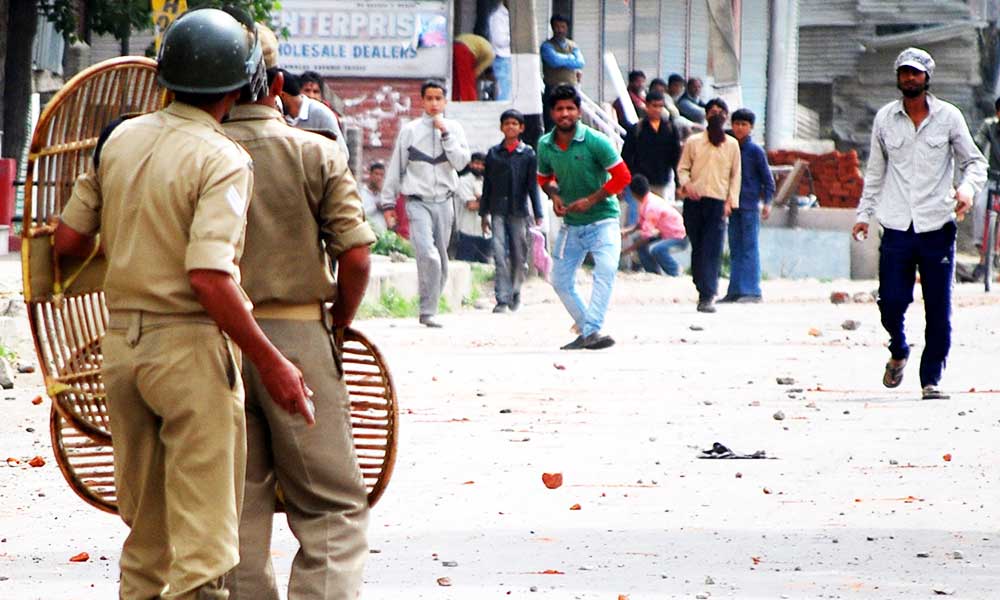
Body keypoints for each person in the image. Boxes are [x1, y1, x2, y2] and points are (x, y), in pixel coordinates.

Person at [53, 9, 314, 599]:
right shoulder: (223, 158)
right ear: (240, 85)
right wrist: (273, 362)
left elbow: (67, 243)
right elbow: (210, 276)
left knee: (145, 540)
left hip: (123, 352)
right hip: (191, 354)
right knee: (204, 551)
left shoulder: (119, 139)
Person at [220, 24, 375, 599]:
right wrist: (338, 320)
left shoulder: (195, 152)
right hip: (299, 338)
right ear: (278, 84)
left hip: (213, 339)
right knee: (332, 504)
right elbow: (355, 257)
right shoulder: (316, 151)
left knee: (236, 509)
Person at [852, 47, 986, 400]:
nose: (910, 78)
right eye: (904, 73)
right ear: (898, 78)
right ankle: (898, 347)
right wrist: (863, 215)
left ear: (927, 78)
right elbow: (875, 172)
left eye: (916, 73)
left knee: (938, 307)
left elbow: (975, 162)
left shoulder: (949, 117)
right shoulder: (885, 119)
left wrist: (967, 189)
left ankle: (931, 379)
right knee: (891, 301)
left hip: (937, 225)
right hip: (896, 224)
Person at [537, 84, 631, 349]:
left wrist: (591, 200)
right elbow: (544, 178)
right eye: (559, 109)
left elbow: (623, 177)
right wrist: (554, 196)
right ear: (552, 113)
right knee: (560, 280)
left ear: (578, 111)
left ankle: (590, 330)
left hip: (603, 220)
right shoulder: (545, 145)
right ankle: (589, 330)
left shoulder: (596, 141)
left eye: (570, 108)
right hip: (572, 225)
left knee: (606, 269)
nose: (565, 113)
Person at [381, 80, 471, 328]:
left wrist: (446, 135)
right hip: (417, 202)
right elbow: (396, 167)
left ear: (445, 101)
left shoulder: (455, 128)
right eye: (429, 98)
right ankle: (427, 310)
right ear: (422, 101)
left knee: (441, 258)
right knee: (427, 254)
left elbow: (461, 163)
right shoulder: (410, 131)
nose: (433, 103)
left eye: (438, 98)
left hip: (444, 201)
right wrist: (388, 205)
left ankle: (432, 304)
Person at [677, 97, 741, 313]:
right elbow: (682, 168)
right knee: (698, 247)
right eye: (712, 111)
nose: (716, 115)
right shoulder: (693, 142)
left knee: (712, 249)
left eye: (721, 112)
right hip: (694, 202)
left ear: (726, 117)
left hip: (718, 203)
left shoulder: (732, 145)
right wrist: (687, 185)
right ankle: (700, 284)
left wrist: (730, 202)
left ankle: (708, 295)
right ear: (706, 116)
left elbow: (735, 176)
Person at [480, 108, 545, 313]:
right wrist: (484, 213)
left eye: (514, 124)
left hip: (519, 211)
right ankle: (502, 298)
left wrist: (538, 213)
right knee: (499, 254)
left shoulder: (527, 154)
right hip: (497, 210)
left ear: (521, 128)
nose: (510, 127)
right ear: (501, 127)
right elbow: (487, 185)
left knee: (518, 254)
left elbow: (532, 186)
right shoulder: (493, 154)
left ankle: (516, 290)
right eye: (507, 123)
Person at [720, 108, 775, 304]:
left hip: (750, 205)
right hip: (732, 205)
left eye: (744, 124)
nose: (740, 128)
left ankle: (752, 290)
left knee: (749, 247)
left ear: (751, 128)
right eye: (736, 124)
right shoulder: (728, 147)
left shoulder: (755, 151)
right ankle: (735, 290)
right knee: (735, 248)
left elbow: (768, 180)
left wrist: (767, 203)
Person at [621, 174, 687, 276]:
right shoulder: (646, 201)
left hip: (678, 237)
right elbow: (641, 224)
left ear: (633, 193)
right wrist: (627, 231)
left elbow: (646, 237)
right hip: (666, 234)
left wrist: (626, 251)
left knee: (656, 249)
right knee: (639, 242)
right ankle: (652, 272)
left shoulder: (651, 207)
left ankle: (675, 271)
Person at [279, 69, 349, 157]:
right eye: (307, 90)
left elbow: (342, 153)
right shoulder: (282, 113)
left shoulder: (325, 115)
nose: (311, 95)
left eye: (316, 92)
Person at [972, 96, 1000, 280]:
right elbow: (978, 143)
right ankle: (982, 258)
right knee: (979, 206)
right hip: (992, 177)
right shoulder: (989, 126)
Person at [540, 14, 584, 129]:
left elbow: (580, 62)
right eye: (557, 27)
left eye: (562, 27)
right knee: (552, 122)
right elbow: (554, 61)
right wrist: (570, 58)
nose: (560, 30)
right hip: (553, 88)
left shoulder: (573, 45)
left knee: (572, 121)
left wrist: (562, 59)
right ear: (552, 28)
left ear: (567, 28)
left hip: (571, 88)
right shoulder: (546, 46)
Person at [454, 152, 492, 263]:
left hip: (485, 233)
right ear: (470, 164)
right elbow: (471, 205)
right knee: (464, 266)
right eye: (476, 163)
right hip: (467, 232)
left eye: (482, 164)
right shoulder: (464, 181)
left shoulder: (488, 182)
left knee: (484, 270)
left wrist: (481, 200)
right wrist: (488, 203)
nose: (479, 167)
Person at [474, 0, 512, 101]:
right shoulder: (497, 17)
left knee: (508, 89)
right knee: (503, 90)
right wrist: (515, 38)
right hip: (501, 56)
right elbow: (499, 40)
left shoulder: (509, 15)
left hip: (508, 56)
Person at [359, 161, 393, 235]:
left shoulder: (384, 195)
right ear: (370, 175)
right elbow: (359, 214)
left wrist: (382, 193)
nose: (379, 178)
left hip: (383, 236)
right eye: (376, 174)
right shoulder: (361, 193)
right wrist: (375, 207)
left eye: (381, 175)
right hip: (366, 234)